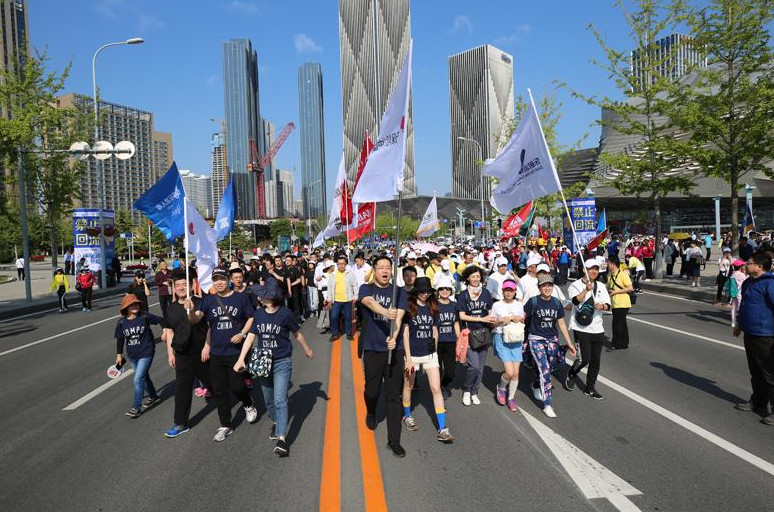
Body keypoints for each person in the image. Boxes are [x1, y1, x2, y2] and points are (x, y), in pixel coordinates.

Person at [235, 282, 315, 457]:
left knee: (280, 400)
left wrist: (307, 349)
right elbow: (251, 336)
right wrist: (241, 359)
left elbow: (297, 333)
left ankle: (281, 439)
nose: (258, 297)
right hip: (264, 362)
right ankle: (276, 421)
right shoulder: (259, 314)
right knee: (269, 400)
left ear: (270, 297)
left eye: (261, 294)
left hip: (282, 362)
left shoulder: (285, 314)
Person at [188, 268, 258, 442]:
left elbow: (251, 317)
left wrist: (242, 334)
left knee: (237, 387)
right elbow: (195, 319)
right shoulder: (209, 300)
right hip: (217, 353)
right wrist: (189, 310)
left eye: (221, 279)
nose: (218, 282)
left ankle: (248, 404)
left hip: (236, 352)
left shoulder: (240, 298)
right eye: (215, 279)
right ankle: (225, 424)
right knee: (219, 391)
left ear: (228, 280)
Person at [358, 255, 408, 458]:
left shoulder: (400, 291)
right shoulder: (366, 288)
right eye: (381, 267)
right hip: (372, 348)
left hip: (393, 349)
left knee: (393, 395)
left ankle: (394, 441)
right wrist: (386, 312)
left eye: (389, 267)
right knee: (372, 391)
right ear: (375, 270)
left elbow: (401, 315)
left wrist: (394, 338)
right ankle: (371, 410)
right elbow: (368, 302)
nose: (385, 271)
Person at [400, 277, 455, 443]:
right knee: (408, 385)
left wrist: (435, 351)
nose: (424, 294)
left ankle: (442, 429)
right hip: (413, 354)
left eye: (427, 291)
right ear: (416, 292)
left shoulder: (433, 307)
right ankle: (407, 416)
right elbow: (406, 333)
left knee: (436, 389)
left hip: (430, 354)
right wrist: (408, 359)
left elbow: (435, 330)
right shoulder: (410, 308)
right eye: (421, 291)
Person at [161, 270, 212, 438]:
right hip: (182, 354)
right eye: (178, 286)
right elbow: (169, 332)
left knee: (214, 384)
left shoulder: (200, 302)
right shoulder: (171, 308)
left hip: (202, 352)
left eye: (185, 284)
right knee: (182, 389)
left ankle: (228, 407)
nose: (182, 288)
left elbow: (211, 326)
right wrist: (171, 354)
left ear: (191, 286)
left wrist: (207, 346)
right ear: (174, 289)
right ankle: (180, 423)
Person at [524, 275, 576, 417]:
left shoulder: (556, 303)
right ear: (539, 288)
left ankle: (535, 385)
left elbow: (561, 324)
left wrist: (569, 343)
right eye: (544, 286)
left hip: (552, 341)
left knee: (549, 368)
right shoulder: (533, 302)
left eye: (549, 286)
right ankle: (547, 404)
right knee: (545, 370)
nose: (547, 288)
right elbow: (522, 317)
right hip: (536, 339)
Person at [733, 252, 774, 426]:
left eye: (749, 263)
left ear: (760, 266)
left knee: (769, 373)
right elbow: (744, 305)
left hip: (765, 334)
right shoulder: (749, 282)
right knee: (756, 372)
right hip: (750, 333)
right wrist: (738, 325)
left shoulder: (770, 284)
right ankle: (758, 402)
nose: (745, 266)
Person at [565, 259, 612, 399]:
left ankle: (590, 388)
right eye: (591, 268)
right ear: (585, 269)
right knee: (584, 359)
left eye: (597, 269)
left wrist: (602, 307)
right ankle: (572, 373)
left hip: (598, 328)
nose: (594, 271)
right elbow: (574, 301)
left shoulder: (601, 286)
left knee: (596, 361)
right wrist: (586, 290)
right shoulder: (575, 285)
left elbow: (609, 305)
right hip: (581, 327)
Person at [114, 294, 162, 418]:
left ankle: (136, 407)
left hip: (147, 351)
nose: (134, 306)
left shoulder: (145, 316)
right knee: (144, 377)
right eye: (131, 305)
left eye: (136, 304)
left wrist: (166, 332)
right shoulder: (121, 322)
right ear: (126, 308)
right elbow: (120, 339)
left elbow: (161, 320)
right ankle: (153, 396)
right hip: (132, 354)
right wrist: (119, 355)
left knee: (138, 378)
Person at [457, 265, 495, 406]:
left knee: (481, 367)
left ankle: (475, 392)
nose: (475, 279)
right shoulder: (463, 295)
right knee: (473, 366)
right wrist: (481, 319)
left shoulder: (485, 293)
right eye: (473, 276)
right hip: (469, 334)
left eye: (478, 276)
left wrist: (492, 319)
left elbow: (490, 311)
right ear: (467, 278)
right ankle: (467, 390)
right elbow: (462, 315)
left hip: (484, 334)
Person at [491, 278, 525, 412]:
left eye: (511, 290)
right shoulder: (497, 305)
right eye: (506, 290)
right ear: (503, 291)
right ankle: (502, 387)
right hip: (501, 337)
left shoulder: (519, 305)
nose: (509, 293)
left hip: (516, 338)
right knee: (509, 372)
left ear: (515, 291)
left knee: (516, 373)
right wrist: (500, 320)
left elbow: (523, 321)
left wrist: (519, 319)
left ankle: (511, 398)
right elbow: (492, 324)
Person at [434, 274, 460, 400]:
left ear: (451, 291)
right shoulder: (433, 305)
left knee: (450, 371)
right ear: (438, 291)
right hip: (437, 342)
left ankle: (445, 385)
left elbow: (455, 323)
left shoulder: (454, 305)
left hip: (451, 341)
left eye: (447, 288)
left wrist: (459, 339)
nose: (445, 291)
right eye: (442, 288)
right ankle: (438, 388)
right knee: (437, 369)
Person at [327, 255, 358, 342]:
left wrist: (356, 296)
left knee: (348, 317)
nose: (341, 266)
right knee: (334, 317)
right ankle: (334, 334)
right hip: (336, 301)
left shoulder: (350, 274)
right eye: (339, 264)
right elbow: (329, 287)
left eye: (343, 264)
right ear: (337, 265)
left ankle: (349, 334)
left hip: (347, 300)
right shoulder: (333, 275)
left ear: (346, 265)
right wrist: (329, 298)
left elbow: (355, 285)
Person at [607, 256, 633, 350]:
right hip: (614, 303)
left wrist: (615, 292)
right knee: (622, 323)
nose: (607, 265)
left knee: (617, 323)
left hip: (623, 303)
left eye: (608, 263)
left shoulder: (622, 274)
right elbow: (608, 287)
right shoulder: (610, 275)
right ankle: (624, 343)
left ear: (613, 264)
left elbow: (630, 288)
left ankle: (616, 344)